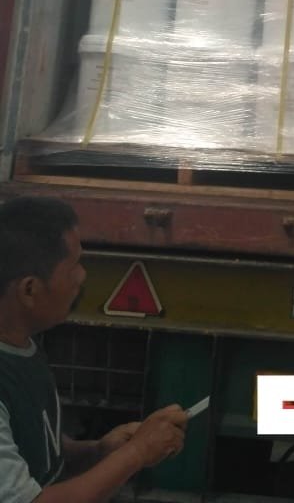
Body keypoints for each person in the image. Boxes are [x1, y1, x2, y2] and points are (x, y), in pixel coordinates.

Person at [0, 195, 188, 503]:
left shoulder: (21, 345)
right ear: (29, 290)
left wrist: (99, 450)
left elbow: (37, 449)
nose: (82, 275)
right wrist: (137, 452)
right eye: (73, 266)